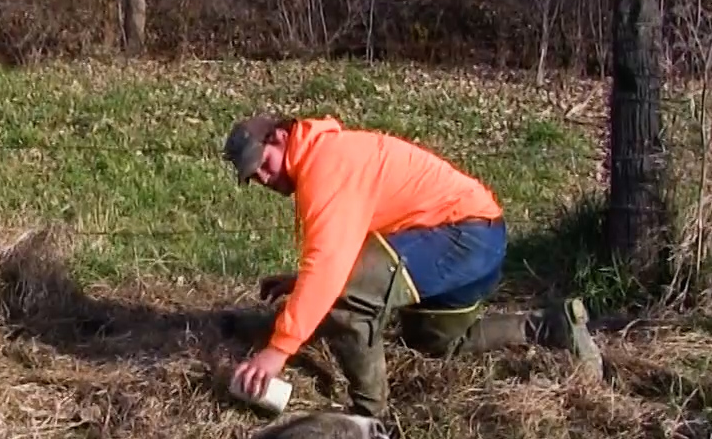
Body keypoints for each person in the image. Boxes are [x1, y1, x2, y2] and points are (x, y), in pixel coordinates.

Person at [222, 112, 602, 419]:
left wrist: (278, 350)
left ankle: (368, 419)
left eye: (263, 165)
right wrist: (303, 283)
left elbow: (330, 267)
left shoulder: (326, 163)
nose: (263, 177)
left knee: (344, 298)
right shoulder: (327, 155)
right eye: (253, 177)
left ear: (281, 138)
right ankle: (550, 326)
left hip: (464, 236)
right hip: (480, 239)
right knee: (439, 343)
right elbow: (342, 247)